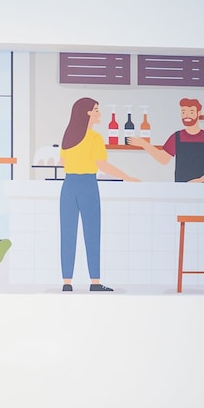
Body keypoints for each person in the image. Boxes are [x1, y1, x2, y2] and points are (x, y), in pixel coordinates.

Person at [59, 97, 139, 292]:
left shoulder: (68, 136)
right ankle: (95, 282)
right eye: (96, 110)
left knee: (67, 235)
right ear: (86, 113)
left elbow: (62, 162)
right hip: (88, 185)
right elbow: (103, 165)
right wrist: (127, 177)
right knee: (92, 233)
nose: (99, 113)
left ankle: (67, 283)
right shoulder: (95, 138)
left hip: (68, 186)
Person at [128, 98, 204, 183]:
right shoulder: (176, 137)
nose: (187, 115)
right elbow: (163, 159)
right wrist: (144, 144)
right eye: (183, 112)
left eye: (191, 112)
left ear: (199, 113)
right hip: (180, 189)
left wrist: (201, 180)